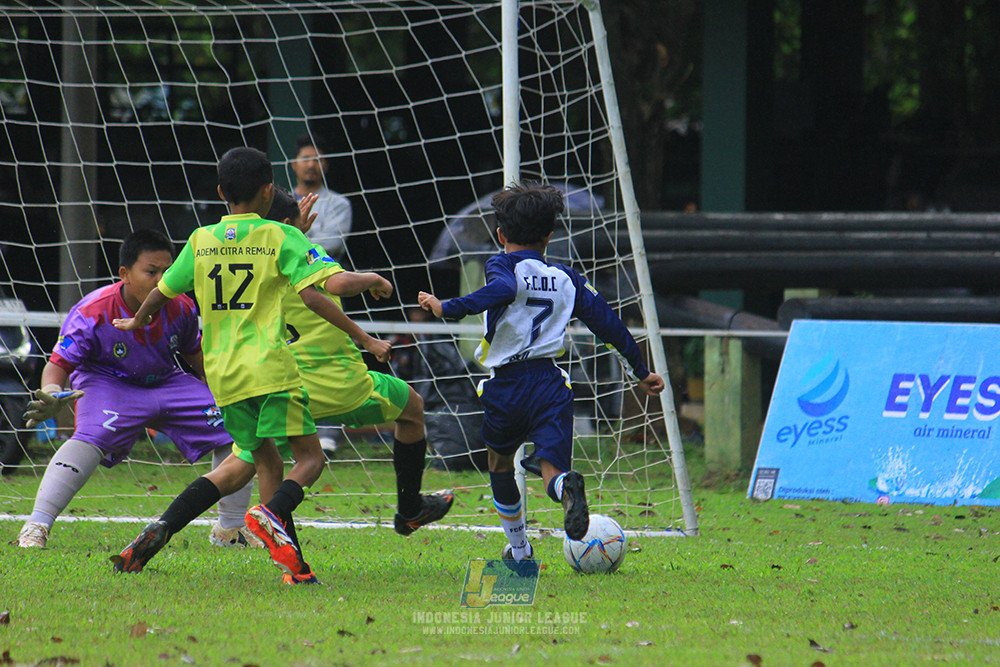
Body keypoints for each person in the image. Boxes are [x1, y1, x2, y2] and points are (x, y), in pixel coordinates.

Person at [111, 147, 391, 584]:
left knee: (266, 464)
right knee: (311, 458)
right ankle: (270, 512)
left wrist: (138, 319)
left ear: (222, 192)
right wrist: (373, 282)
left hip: (223, 375)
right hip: (271, 369)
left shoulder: (200, 241)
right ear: (268, 191)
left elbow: (163, 291)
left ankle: (291, 567)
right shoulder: (281, 237)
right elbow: (330, 284)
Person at [418, 182, 665, 564]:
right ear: (550, 235)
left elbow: (502, 288)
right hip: (551, 385)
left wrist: (448, 306)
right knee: (553, 469)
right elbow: (609, 324)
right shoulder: (568, 277)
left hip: (507, 386)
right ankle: (567, 487)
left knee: (499, 465)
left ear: (500, 235)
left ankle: (519, 551)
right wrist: (640, 370)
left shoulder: (500, 264)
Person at [15, 229, 258, 550]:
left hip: (165, 381)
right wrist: (51, 391)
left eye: (167, 271)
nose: (161, 280)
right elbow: (58, 363)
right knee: (91, 437)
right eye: (151, 272)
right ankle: (37, 524)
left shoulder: (181, 307)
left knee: (238, 425)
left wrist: (227, 394)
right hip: (107, 383)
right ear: (125, 274)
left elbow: (195, 355)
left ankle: (230, 529)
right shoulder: (94, 310)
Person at [291, 133, 352, 261]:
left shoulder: (339, 204)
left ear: (325, 165)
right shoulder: (279, 201)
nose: (311, 165)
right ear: (294, 164)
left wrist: (292, 250)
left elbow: (331, 245)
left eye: (317, 160)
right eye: (306, 159)